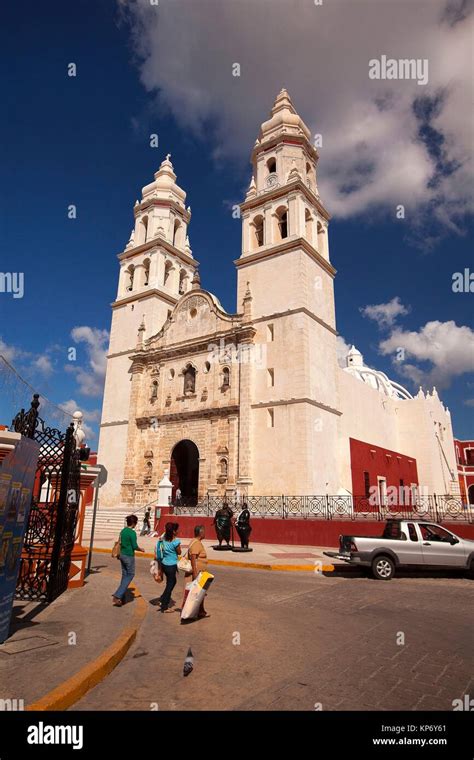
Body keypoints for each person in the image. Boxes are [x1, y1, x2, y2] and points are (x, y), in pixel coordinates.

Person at [112, 515, 145, 607]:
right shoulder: (132, 533)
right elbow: (134, 546)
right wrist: (141, 549)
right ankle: (118, 595)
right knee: (131, 574)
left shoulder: (123, 531)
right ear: (134, 523)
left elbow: (120, 542)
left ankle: (121, 597)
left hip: (121, 554)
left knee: (125, 574)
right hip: (129, 556)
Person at [182, 525, 210, 619]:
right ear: (201, 533)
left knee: (200, 593)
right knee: (195, 593)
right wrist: (195, 573)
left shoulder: (197, 542)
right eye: (204, 532)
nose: (205, 533)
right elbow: (193, 558)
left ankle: (201, 611)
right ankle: (190, 613)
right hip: (197, 573)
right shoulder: (196, 543)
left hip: (201, 573)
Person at [156, 522, 181, 613]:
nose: (178, 531)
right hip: (171, 565)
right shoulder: (175, 541)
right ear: (174, 531)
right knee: (170, 585)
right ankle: (164, 605)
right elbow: (179, 552)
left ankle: (162, 598)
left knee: (172, 582)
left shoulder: (163, 539)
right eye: (177, 530)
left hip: (164, 564)